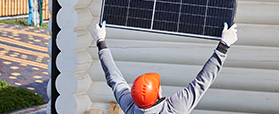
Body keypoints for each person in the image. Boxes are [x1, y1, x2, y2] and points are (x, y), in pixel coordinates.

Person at [94, 21, 237, 113]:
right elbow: (201, 82)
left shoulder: (130, 106)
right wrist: (223, 46)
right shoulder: (174, 108)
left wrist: (101, 41)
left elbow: (114, 78)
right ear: (158, 94)